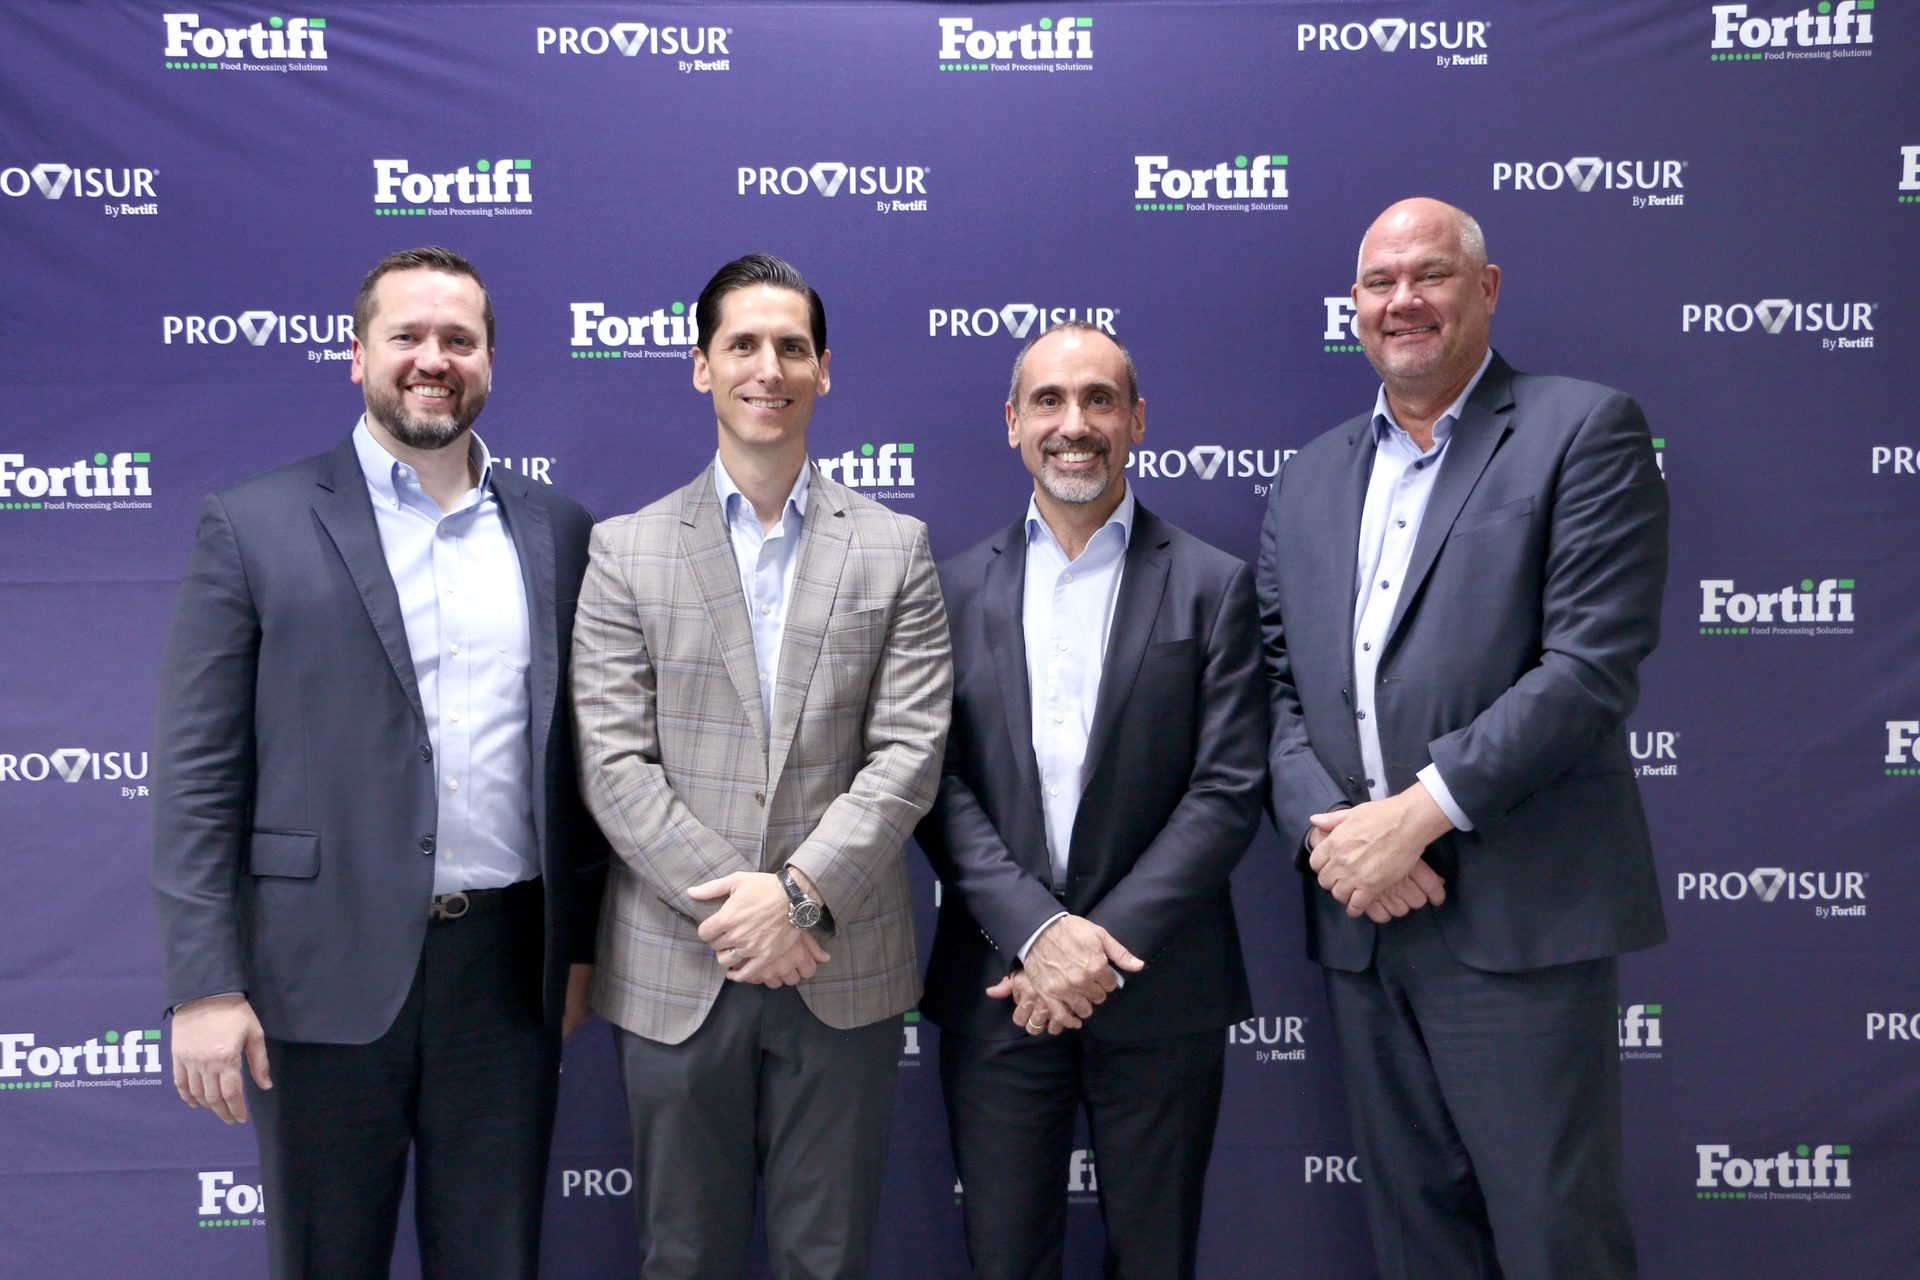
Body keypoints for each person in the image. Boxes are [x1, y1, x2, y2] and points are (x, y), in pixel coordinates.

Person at [150, 245, 606, 1279]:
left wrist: (576, 945)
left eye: (459, 338)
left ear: (491, 360)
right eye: (406, 335)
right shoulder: (253, 521)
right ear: (357, 356)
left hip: (505, 974)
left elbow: (582, 761)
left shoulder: (559, 531)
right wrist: (204, 985)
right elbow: (195, 776)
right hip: (314, 977)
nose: (432, 358)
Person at [1257, 198, 1669, 1280]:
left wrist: (1416, 817)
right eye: (1379, 282)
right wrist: (1341, 842)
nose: (1403, 301)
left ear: (1485, 289)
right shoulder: (1307, 477)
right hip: (1365, 919)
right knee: (1415, 1237)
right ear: (1353, 306)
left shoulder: (1584, 429)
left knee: (1553, 1234)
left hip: (1520, 915)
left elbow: (1587, 670)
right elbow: (1280, 691)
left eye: (1430, 275)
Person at [571, 253, 952, 1280]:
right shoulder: (626, 549)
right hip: (675, 966)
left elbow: (908, 752)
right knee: (680, 1254)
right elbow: (614, 763)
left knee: (827, 1259)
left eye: (792, 346)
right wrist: (741, 909)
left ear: (824, 369)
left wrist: (797, 896)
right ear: (701, 366)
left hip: (842, 962)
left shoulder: (895, 545)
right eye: (743, 343)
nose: (767, 366)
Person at [917, 322, 1266, 1279]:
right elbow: (932, 783)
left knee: (1156, 1261)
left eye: (1100, 400)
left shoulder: (1214, 587)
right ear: (1014, 424)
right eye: (1050, 401)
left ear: (1139, 420)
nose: (1076, 424)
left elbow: (1228, 791)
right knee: (1004, 1260)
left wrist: (1093, 950)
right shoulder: (946, 592)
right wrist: (1039, 935)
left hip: (1161, 990)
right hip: (1000, 990)